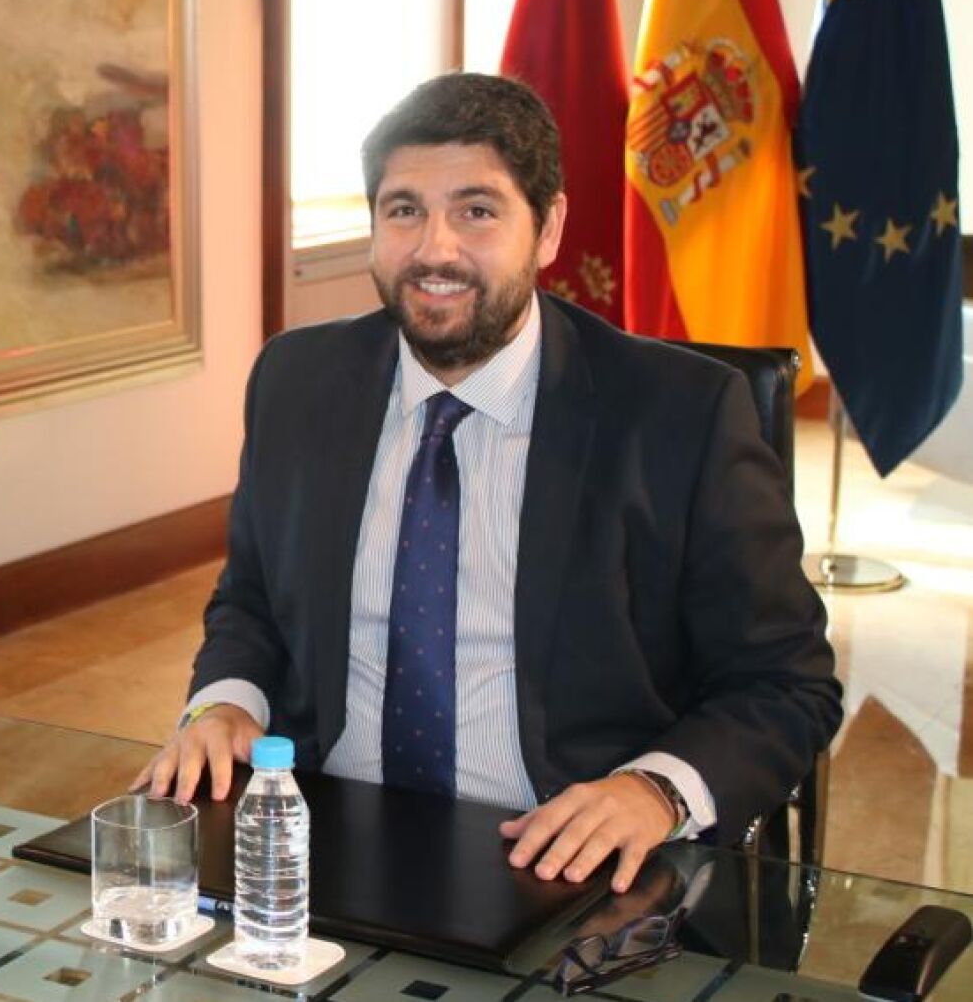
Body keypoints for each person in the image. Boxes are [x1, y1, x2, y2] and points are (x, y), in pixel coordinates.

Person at [139, 74, 841, 894]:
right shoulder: (297, 380)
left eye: (476, 210)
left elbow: (785, 680)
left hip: (568, 856)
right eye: (403, 210)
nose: (434, 249)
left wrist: (654, 790)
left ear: (548, 229)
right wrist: (226, 702)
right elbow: (252, 600)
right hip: (319, 839)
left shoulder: (678, 414)